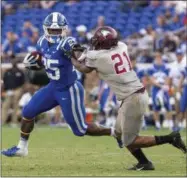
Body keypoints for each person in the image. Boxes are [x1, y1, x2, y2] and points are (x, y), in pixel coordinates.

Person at [71, 26, 187, 170]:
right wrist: (84, 53)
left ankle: (170, 138)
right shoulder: (121, 46)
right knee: (119, 134)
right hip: (133, 96)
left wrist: (72, 57)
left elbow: (84, 68)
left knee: (129, 140)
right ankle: (144, 163)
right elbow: (95, 54)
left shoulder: (99, 57)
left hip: (133, 98)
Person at [1, 13, 116, 157]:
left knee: (80, 130)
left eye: (57, 30)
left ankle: (114, 132)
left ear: (64, 29)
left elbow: (78, 51)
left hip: (69, 89)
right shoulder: (41, 42)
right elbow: (47, 61)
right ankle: (22, 147)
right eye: (52, 30)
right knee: (28, 112)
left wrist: (79, 54)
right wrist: (36, 63)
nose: (55, 33)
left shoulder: (67, 42)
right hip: (53, 87)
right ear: (45, 29)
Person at [148, 51, 173, 130]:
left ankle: (170, 124)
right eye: (156, 57)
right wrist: (160, 86)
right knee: (156, 107)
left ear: (161, 58)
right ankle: (158, 125)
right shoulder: (152, 68)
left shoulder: (166, 67)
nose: (158, 59)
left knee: (168, 106)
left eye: (159, 57)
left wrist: (165, 86)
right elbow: (152, 80)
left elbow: (168, 78)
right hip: (156, 88)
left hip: (164, 88)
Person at [2, 60, 25, 126]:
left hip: (17, 90)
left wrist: (20, 90)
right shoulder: (8, 71)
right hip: (9, 91)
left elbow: (22, 82)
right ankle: (2, 121)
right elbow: (4, 81)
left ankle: (14, 122)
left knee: (16, 106)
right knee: (5, 106)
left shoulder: (20, 72)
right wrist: (5, 90)